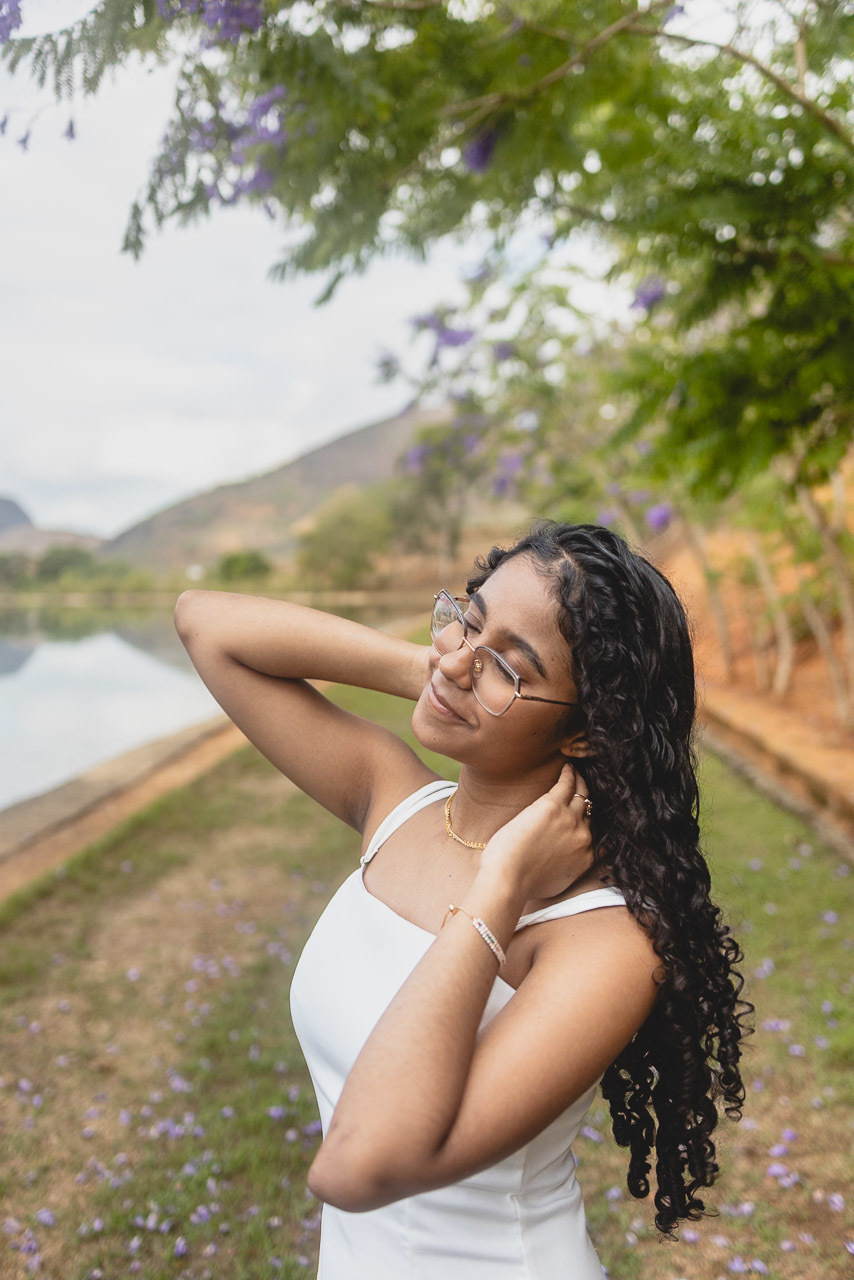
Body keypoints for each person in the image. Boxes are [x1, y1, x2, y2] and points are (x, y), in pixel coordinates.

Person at [174, 520, 750, 1279]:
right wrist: (443, 666)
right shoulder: (395, 799)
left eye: (510, 669)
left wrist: (498, 891)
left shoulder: (607, 941)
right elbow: (206, 623)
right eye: (468, 620)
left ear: (585, 730)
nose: (461, 662)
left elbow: (356, 1168)